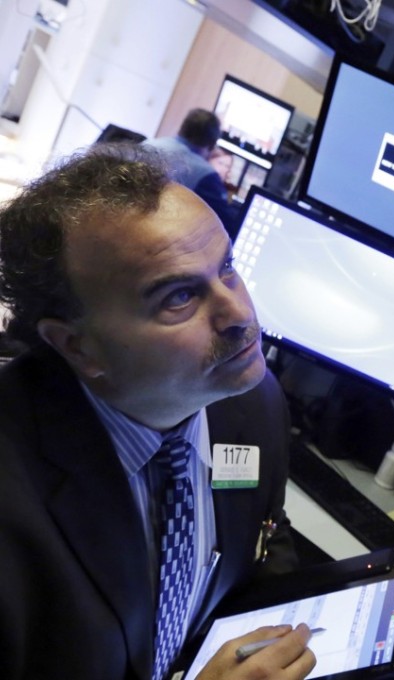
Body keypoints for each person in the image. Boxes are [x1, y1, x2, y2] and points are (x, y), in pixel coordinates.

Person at [0, 143, 316, 680]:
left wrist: (285, 632)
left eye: (228, 269)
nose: (240, 314)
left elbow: (262, 537)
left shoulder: (251, 404)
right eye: (178, 298)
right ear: (78, 347)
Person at [145, 108, 240, 237]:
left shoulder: (146, 145)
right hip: (158, 238)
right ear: (212, 145)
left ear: (182, 129)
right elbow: (227, 225)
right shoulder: (205, 174)